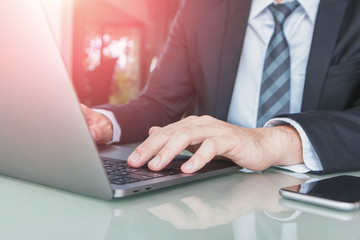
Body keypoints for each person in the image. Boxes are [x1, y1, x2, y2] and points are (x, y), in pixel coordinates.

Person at [81, 0, 360, 174]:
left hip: (317, 193)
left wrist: (267, 141)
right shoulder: (200, 7)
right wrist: (105, 123)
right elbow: (161, 102)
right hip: (215, 187)